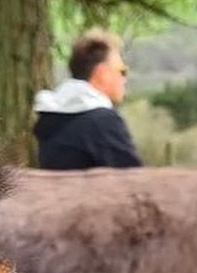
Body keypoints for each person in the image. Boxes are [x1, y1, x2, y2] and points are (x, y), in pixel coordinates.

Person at [33, 30, 143, 170]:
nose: (125, 79)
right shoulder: (103, 122)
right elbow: (135, 181)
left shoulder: (50, 119)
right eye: (122, 71)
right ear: (103, 74)